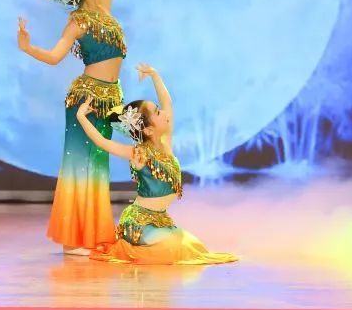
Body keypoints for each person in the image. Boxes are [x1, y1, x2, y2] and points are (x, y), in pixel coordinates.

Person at [17, 0, 125, 255]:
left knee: (98, 166)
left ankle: (91, 234)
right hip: (86, 100)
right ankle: (75, 238)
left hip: (109, 98)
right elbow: (54, 56)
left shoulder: (104, 7)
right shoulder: (77, 21)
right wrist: (28, 48)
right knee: (81, 165)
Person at [76, 64, 238, 265]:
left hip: (160, 221)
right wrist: (81, 117)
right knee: (177, 247)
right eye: (158, 113)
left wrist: (155, 75)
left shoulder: (165, 143)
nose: (165, 114)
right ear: (149, 131)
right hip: (138, 224)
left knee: (191, 244)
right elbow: (102, 142)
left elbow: (167, 103)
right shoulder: (140, 153)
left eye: (159, 110)